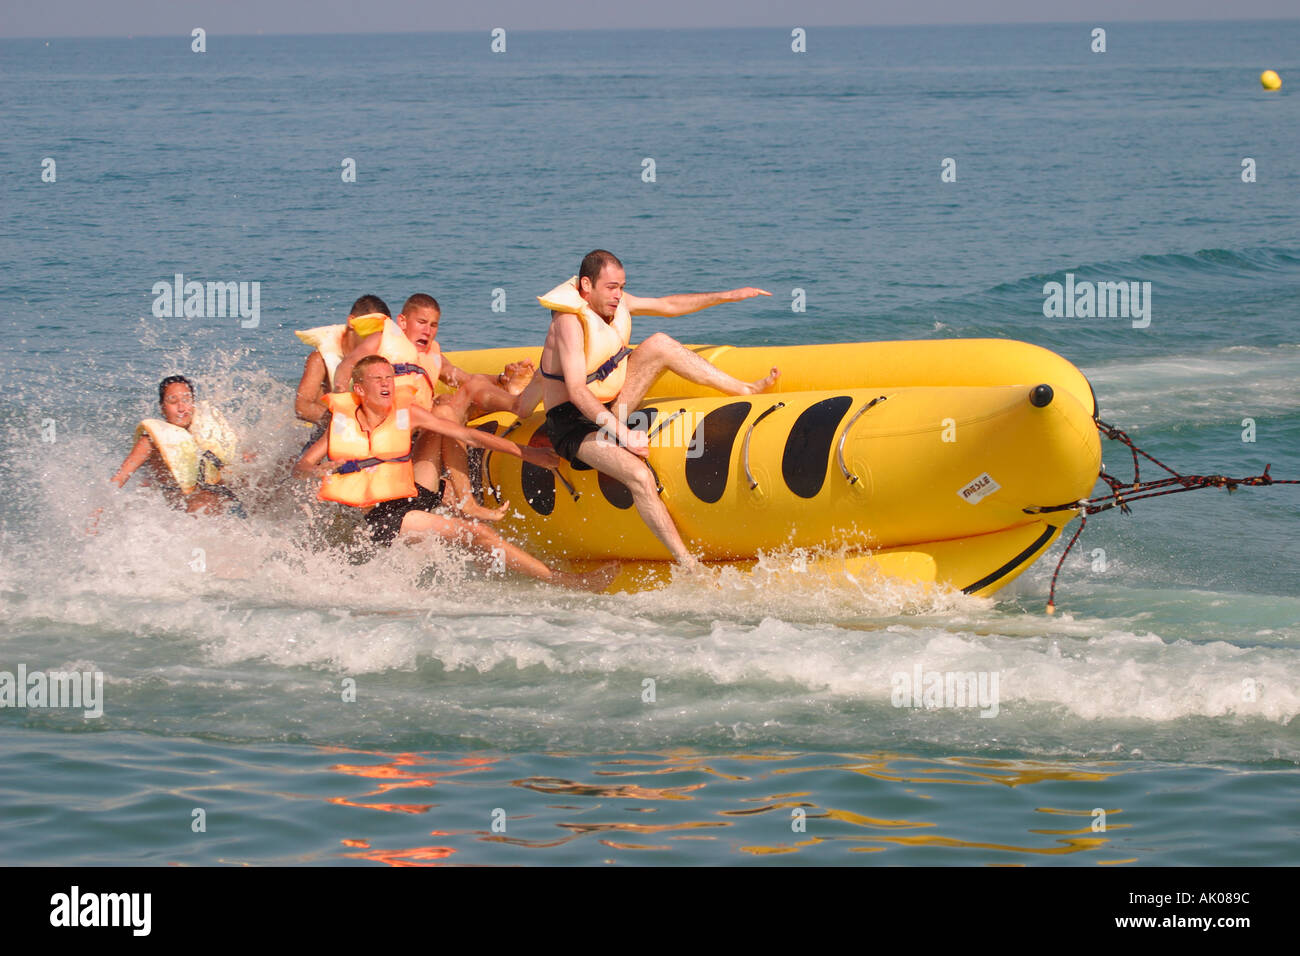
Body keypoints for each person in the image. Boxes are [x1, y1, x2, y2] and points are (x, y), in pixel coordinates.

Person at [538, 250, 780, 568]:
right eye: (611, 287)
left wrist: (728, 295)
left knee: (660, 344)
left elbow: (668, 306)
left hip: (610, 405)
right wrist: (623, 434)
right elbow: (577, 390)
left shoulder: (616, 304)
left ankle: (744, 388)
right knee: (639, 475)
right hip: (574, 422)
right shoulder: (568, 323)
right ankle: (687, 562)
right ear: (587, 284)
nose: (618, 295)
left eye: (622, 286)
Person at [293, 356, 616, 591]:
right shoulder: (343, 425)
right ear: (360, 389)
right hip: (382, 519)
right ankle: (571, 582)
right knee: (480, 535)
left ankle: (463, 498)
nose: (386, 384)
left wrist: (527, 452)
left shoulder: (407, 413)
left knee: (445, 419)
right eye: (377, 380)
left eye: (389, 378)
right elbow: (302, 467)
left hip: (413, 494)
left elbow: (469, 436)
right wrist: (315, 469)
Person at [333, 294, 540, 519]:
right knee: (442, 407)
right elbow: (347, 365)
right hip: (399, 434)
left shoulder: (433, 357)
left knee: (467, 390)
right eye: (421, 323)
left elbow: (463, 377)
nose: (427, 331)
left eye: (433, 325)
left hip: (427, 427)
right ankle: (466, 500)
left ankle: (516, 402)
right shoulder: (381, 342)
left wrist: (502, 379)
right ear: (402, 322)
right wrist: (342, 400)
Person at [109, 375, 246, 516]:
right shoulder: (150, 440)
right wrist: (98, 513)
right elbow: (120, 477)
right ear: (162, 407)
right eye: (173, 401)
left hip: (226, 498)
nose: (181, 408)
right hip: (190, 511)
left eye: (186, 401)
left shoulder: (206, 432)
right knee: (202, 502)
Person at [293, 294, 391, 448]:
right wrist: (348, 422)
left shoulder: (381, 357)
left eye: (380, 332)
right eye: (371, 329)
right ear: (352, 322)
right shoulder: (320, 359)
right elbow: (302, 407)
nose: (375, 337)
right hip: (329, 434)